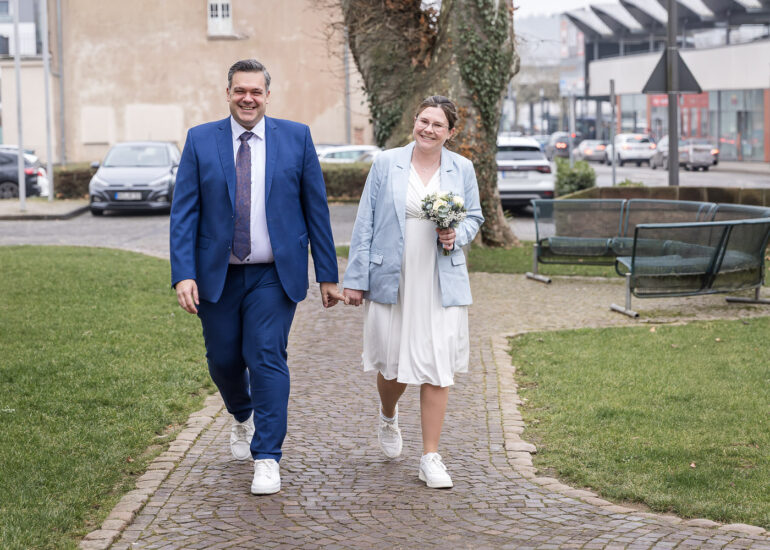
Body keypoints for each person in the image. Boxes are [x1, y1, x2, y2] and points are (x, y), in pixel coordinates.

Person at [170, 59, 345, 495]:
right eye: (240, 91)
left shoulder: (296, 138)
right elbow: (183, 215)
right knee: (224, 360)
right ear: (227, 93)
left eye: (256, 91)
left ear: (268, 95)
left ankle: (267, 456)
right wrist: (182, 274)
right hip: (218, 276)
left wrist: (327, 274)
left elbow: (316, 210)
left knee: (265, 354)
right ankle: (241, 415)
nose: (248, 98)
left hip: (274, 274)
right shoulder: (199, 140)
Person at [342, 96, 484, 489]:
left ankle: (430, 456)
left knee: (438, 363)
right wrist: (355, 278)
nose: (429, 129)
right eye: (424, 121)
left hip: (441, 277)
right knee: (391, 364)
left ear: (450, 133)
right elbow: (365, 221)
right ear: (415, 122)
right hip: (393, 275)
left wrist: (458, 234)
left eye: (438, 125)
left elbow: (474, 216)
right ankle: (388, 414)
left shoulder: (463, 168)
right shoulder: (387, 163)